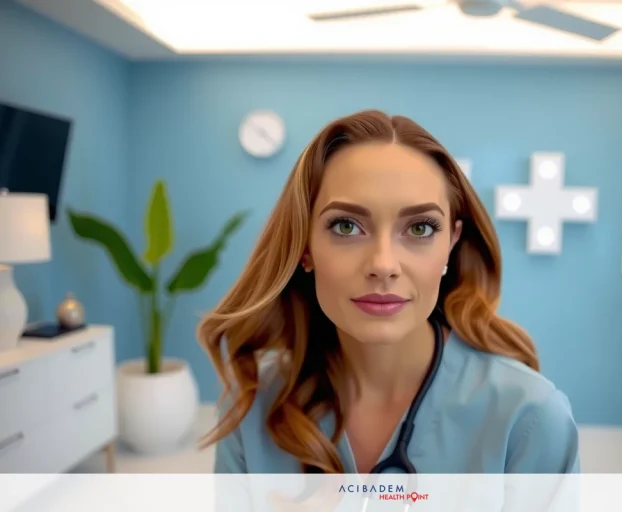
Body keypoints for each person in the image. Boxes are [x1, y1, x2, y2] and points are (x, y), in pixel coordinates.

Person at [198, 109, 579, 475]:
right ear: (305, 246)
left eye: (419, 229)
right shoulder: (253, 403)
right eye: (346, 226)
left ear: (451, 243)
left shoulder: (530, 419)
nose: (383, 264)